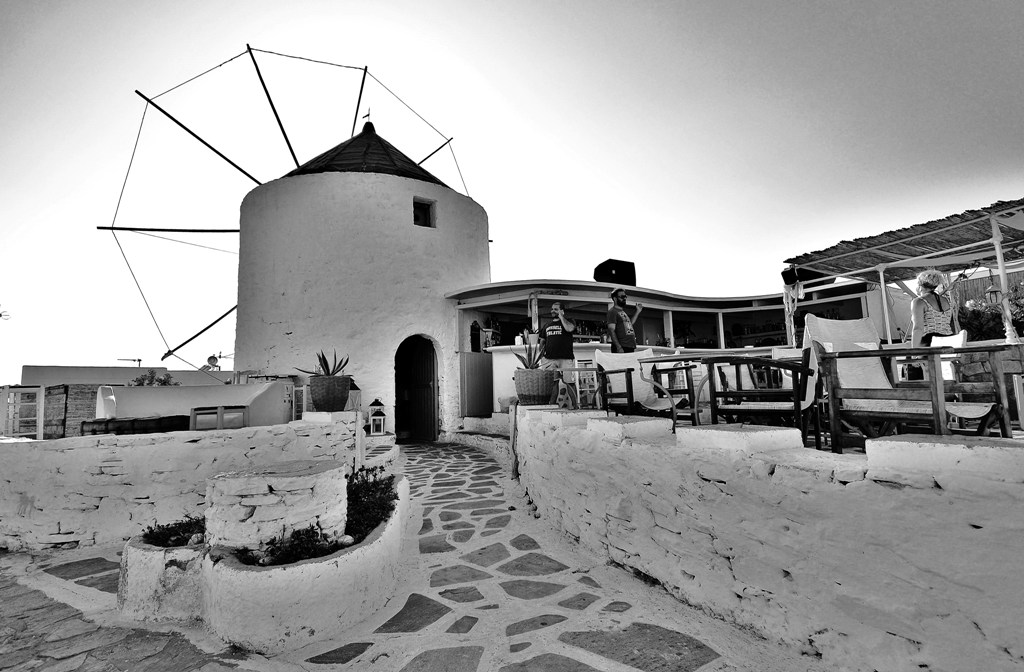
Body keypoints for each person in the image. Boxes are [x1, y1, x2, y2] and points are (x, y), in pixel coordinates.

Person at [539, 301, 579, 408]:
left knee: (569, 383)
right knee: (552, 384)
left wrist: (561, 317)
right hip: (550, 359)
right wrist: (542, 356)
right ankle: (551, 406)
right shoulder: (547, 325)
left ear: (562, 311)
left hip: (566, 358)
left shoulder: (569, 321)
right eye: (552, 309)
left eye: (556, 309)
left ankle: (575, 406)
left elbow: (569, 329)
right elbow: (542, 342)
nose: (552, 311)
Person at [910, 269, 955, 347]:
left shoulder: (919, 301)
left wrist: (914, 351)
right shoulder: (946, 300)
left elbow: (918, 328)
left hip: (929, 343)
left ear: (920, 286)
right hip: (949, 341)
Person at [606, 288, 643, 353]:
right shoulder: (612, 312)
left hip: (629, 346)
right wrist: (618, 347)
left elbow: (630, 324)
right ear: (615, 299)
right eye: (622, 297)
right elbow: (611, 330)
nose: (625, 298)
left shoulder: (622, 312)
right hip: (622, 347)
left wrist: (638, 311)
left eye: (625, 297)